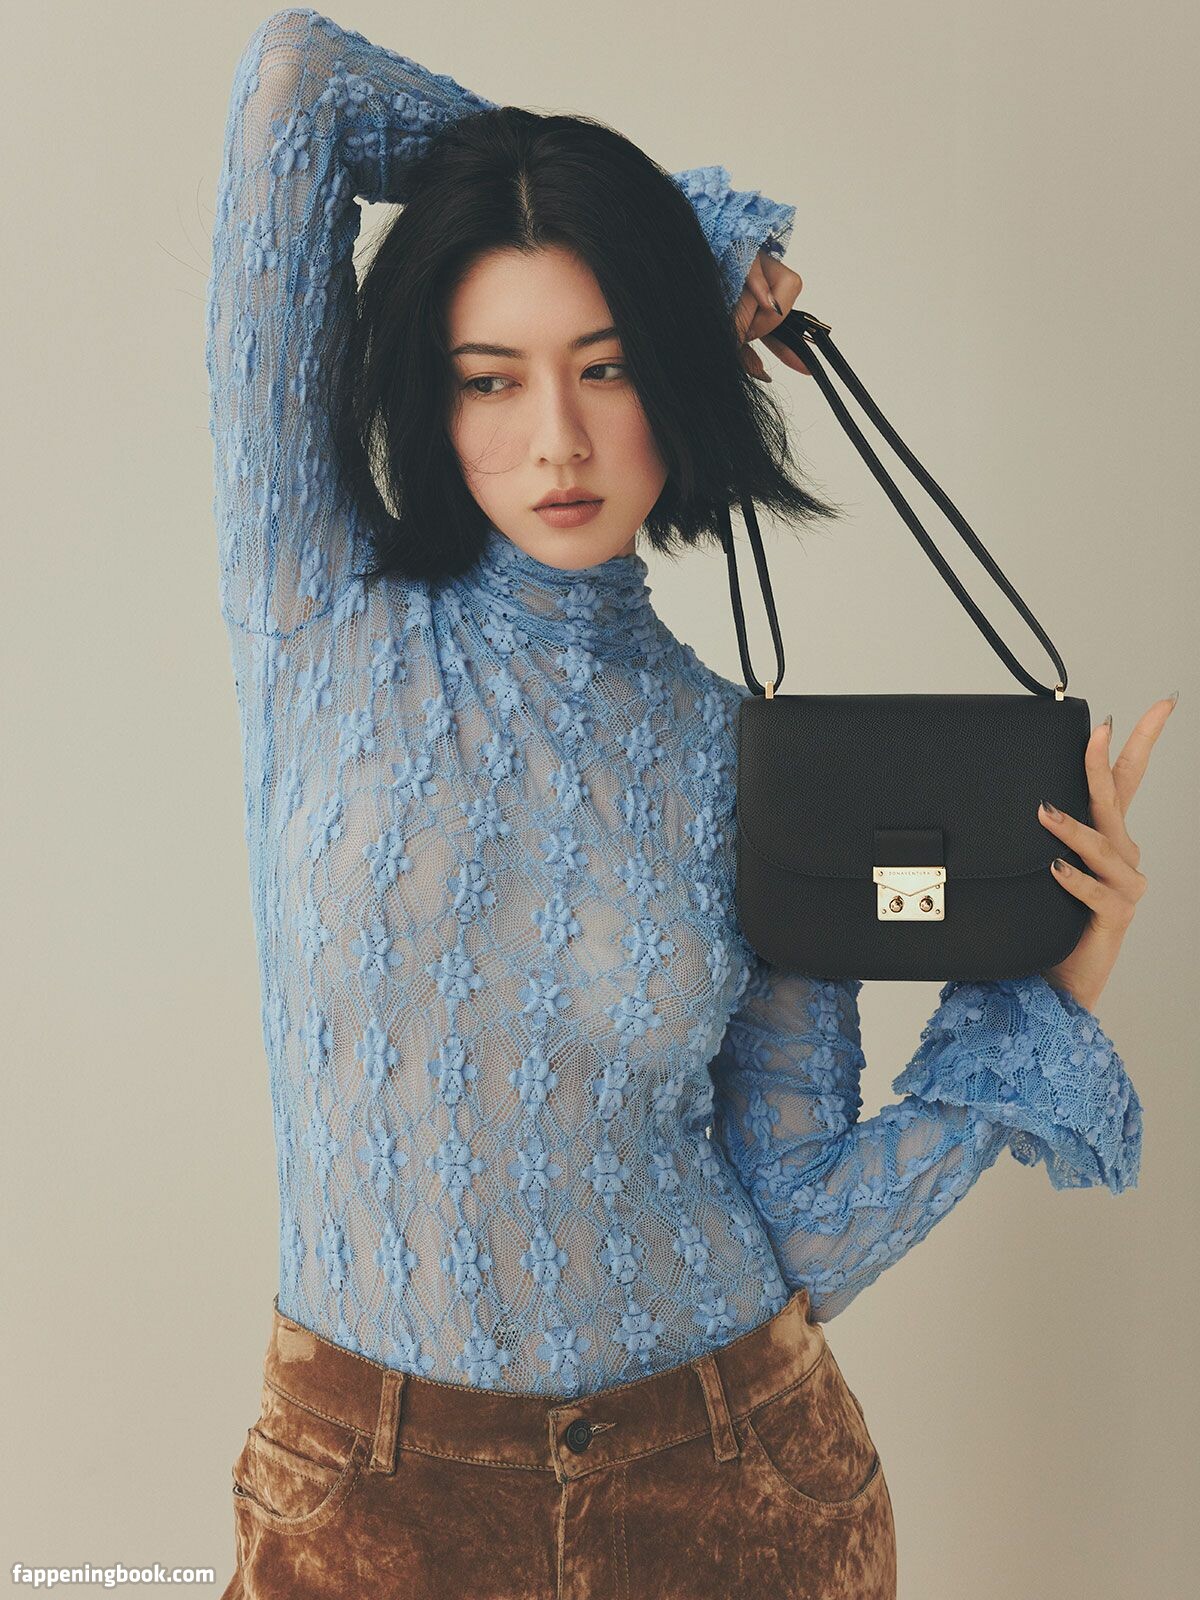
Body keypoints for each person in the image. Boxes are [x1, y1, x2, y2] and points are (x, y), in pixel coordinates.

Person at [205, 9, 1167, 1597]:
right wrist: (663, 231)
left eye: (611, 364)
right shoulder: (313, 610)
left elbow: (799, 1225)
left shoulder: (748, 761)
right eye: (492, 381)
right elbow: (298, 85)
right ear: (434, 402)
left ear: (679, 375)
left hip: (727, 1490)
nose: (558, 440)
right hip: (364, 1508)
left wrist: (1044, 1000)